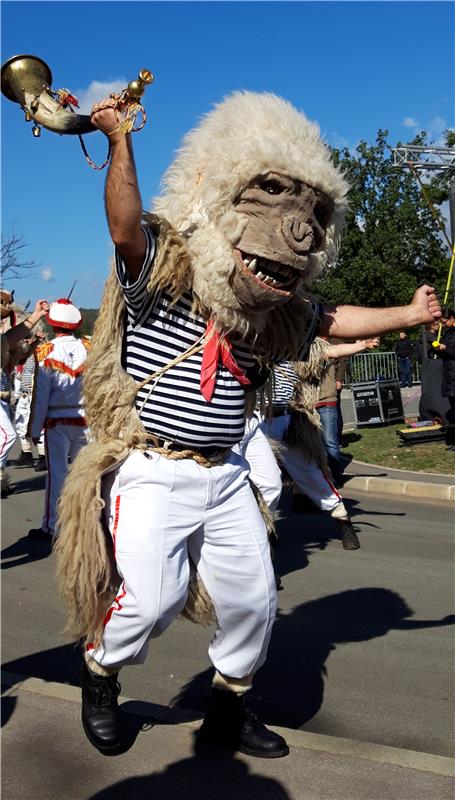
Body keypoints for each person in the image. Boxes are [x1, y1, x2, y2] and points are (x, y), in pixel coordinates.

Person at [54, 91, 441, 759]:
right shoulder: (164, 276)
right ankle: (100, 671)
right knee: (149, 601)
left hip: (227, 473)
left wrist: (405, 315)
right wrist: (120, 141)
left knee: (255, 602)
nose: (298, 235)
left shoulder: (272, 316)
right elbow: (125, 230)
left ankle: (229, 707)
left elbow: (330, 319)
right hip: (154, 468)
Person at [27, 299, 89, 540]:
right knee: (86, 475)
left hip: (57, 422)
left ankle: (52, 526)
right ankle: (88, 525)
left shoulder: (46, 352)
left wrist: (34, 430)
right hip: (86, 420)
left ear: (53, 325)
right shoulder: (89, 348)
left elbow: (40, 397)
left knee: (57, 475)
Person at [0, 297, 50, 496]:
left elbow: (13, 337)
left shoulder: (3, 339)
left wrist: (36, 315)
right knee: (9, 435)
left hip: (4, 396)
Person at [433, 310, 455, 449]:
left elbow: (452, 351)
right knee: (453, 408)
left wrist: (445, 348)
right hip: (449, 374)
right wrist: (437, 348)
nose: (444, 324)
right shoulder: (448, 332)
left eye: (445, 321)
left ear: (452, 318)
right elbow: (445, 350)